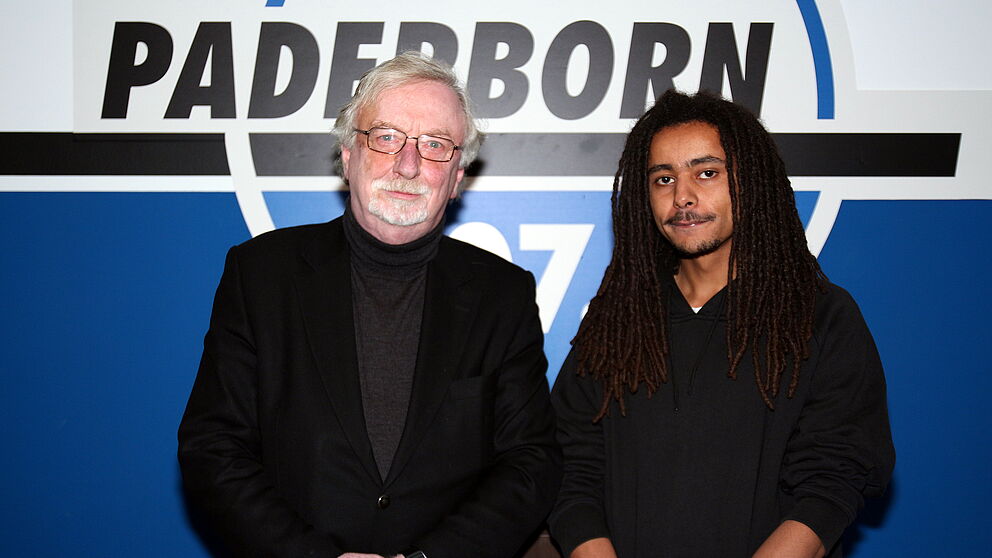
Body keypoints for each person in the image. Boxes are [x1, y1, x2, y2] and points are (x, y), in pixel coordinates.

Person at [178, 52, 560, 558]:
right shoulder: (262, 274)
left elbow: (530, 462)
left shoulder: (502, 294)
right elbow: (213, 448)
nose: (408, 164)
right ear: (348, 155)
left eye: (435, 145)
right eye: (386, 137)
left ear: (459, 177)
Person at [547, 90, 894, 558]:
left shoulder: (821, 316)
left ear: (750, 181)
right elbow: (571, 466)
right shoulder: (616, 323)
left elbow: (832, 479)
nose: (683, 196)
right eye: (663, 179)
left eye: (706, 173)